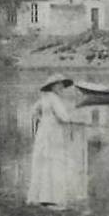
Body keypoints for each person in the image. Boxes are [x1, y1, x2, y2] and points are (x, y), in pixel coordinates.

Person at [27, 73, 78, 206]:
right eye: (59, 85)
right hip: (53, 135)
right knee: (54, 162)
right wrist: (72, 119)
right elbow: (63, 117)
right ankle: (51, 197)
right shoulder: (55, 99)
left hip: (44, 133)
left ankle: (40, 196)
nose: (61, 87)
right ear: (53, 86)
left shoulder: (44, 98)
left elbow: (33, 111)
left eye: (62, 85)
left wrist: (42, 120)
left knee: (43, 162)